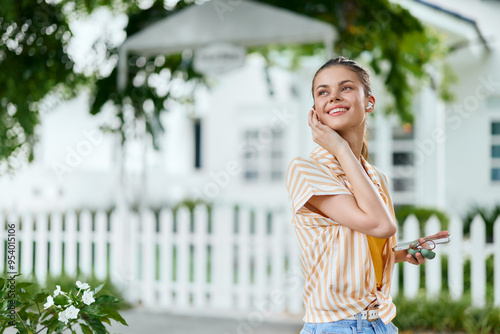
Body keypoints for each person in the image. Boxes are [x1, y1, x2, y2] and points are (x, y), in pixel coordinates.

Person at [286, 56, 449, 334]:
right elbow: (381, 225)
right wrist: (339, 147)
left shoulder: (376, 177)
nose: (334, 97)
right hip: (336, 326)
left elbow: (353, 244)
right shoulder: (306, 169)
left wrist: (398, 253)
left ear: (369, 102)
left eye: (346, 88)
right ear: (316, 112)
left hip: (381, 323)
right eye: (323, 92)